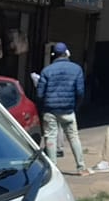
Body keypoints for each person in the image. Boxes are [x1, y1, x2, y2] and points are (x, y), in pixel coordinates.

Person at [36, 42, 87, 174]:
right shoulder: (76, 69)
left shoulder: (46, 71)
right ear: (67, 53)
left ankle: (53, 168)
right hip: (68, 110)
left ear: (54, 55)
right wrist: (76, 106)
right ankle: (81, 167)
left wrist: (42, 107)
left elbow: (40, 93)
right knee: (74, 137)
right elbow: (80, 91)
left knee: (50, 137)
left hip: (50, 110)